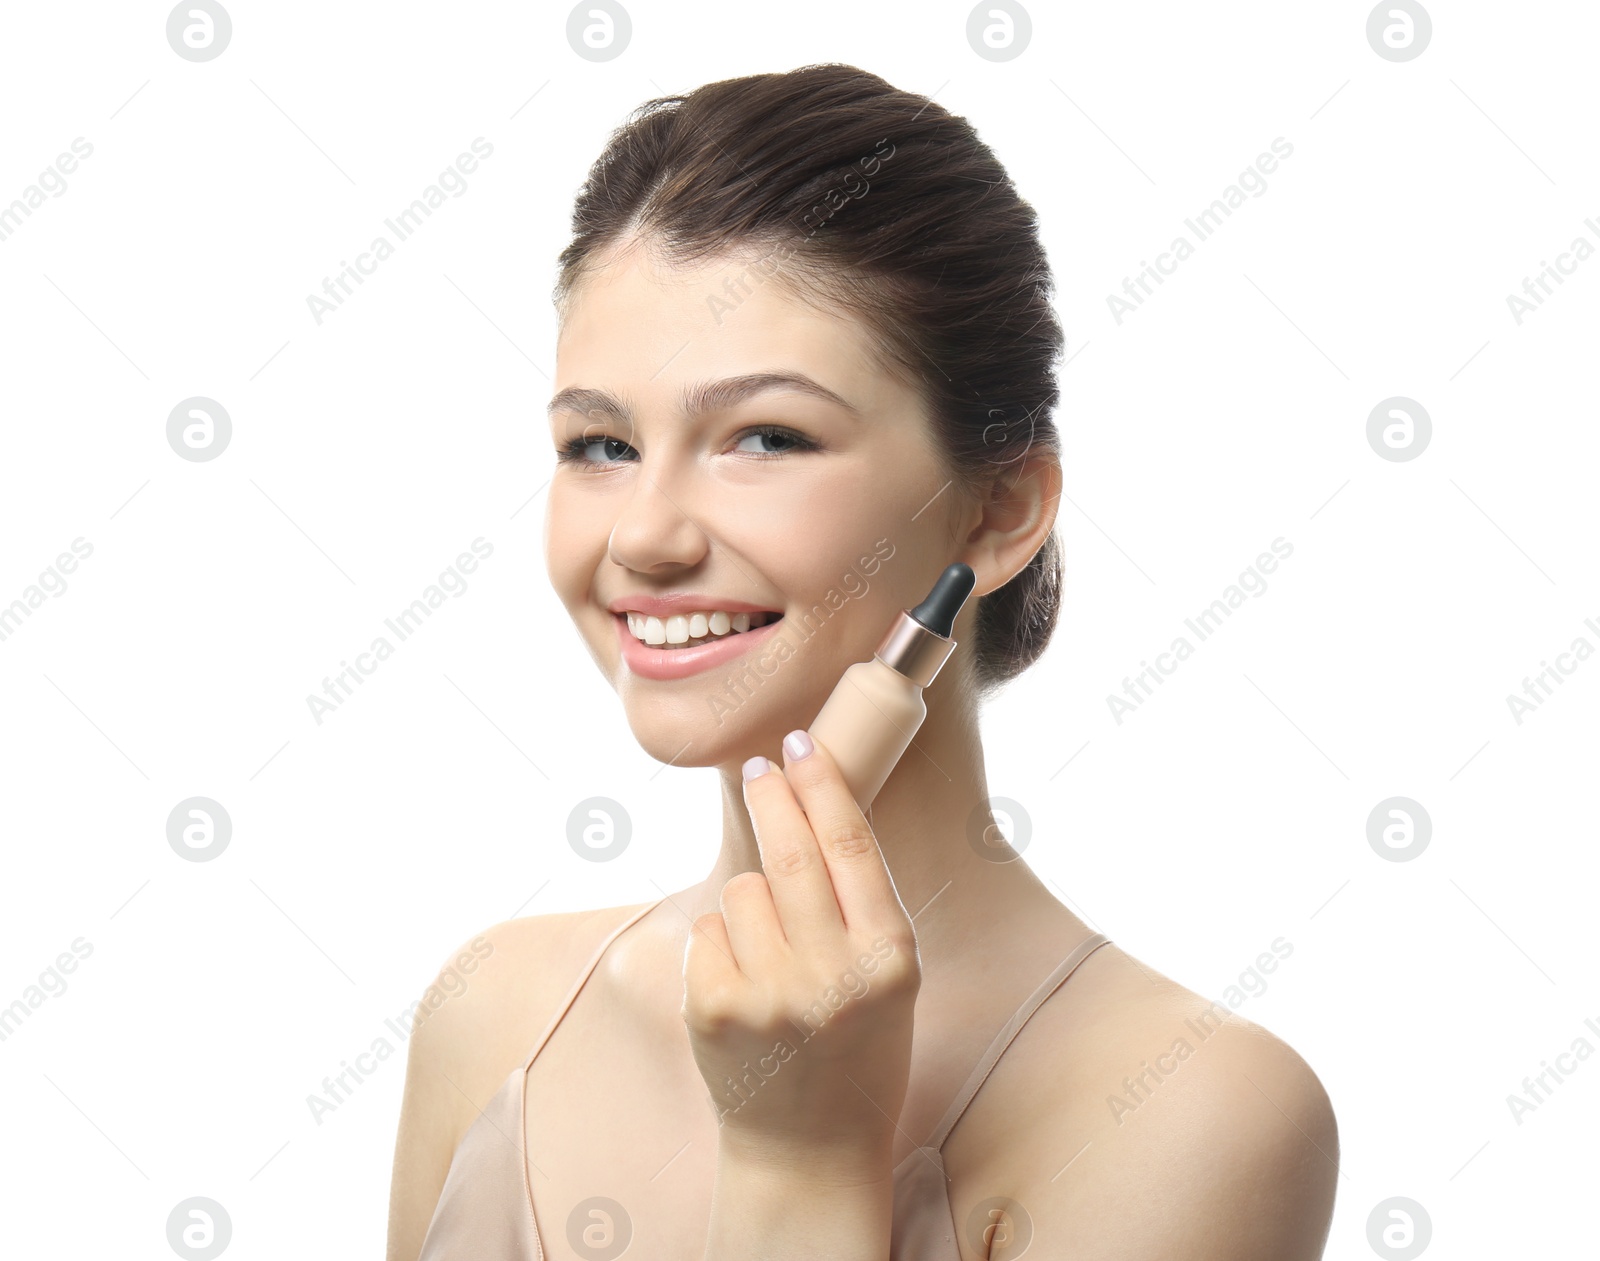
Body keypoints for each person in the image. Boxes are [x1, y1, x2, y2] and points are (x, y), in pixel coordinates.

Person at [387, 63, 1337, 1261]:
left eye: (765, 436)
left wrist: (804, 1160)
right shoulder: (497, 1010)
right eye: (601, 444)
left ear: (996, 512)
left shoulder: (1195, 1110)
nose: (643, 535)